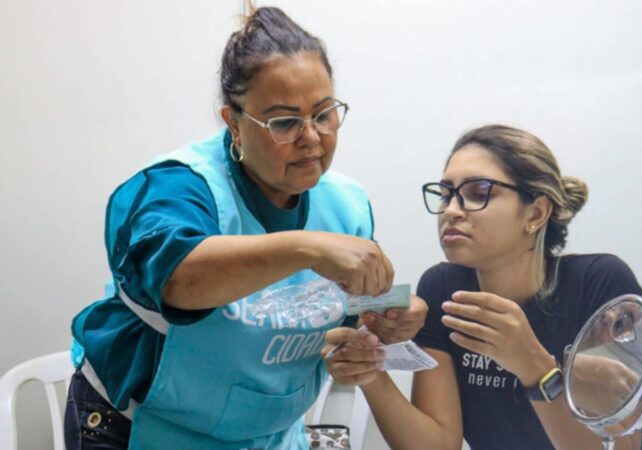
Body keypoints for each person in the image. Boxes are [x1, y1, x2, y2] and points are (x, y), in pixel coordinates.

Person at [64, 6, 425, 450]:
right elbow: (180, 282)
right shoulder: (174, 189)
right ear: (233, 122)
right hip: (147, 426)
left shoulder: (345, 203)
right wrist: (306, 247)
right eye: (284, 122)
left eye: (324, 113)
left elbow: (340, 298)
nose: (311, 137)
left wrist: (394, 310)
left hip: (266, 433)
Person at [324, 124, 642, 450]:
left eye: (479, 194)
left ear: (536, 213)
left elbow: (623, 446)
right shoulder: (443, 288)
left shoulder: (599, 283)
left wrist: (536, 367)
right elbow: (437, 445)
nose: (451, 211)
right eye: (446, 194)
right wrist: (369, 371)